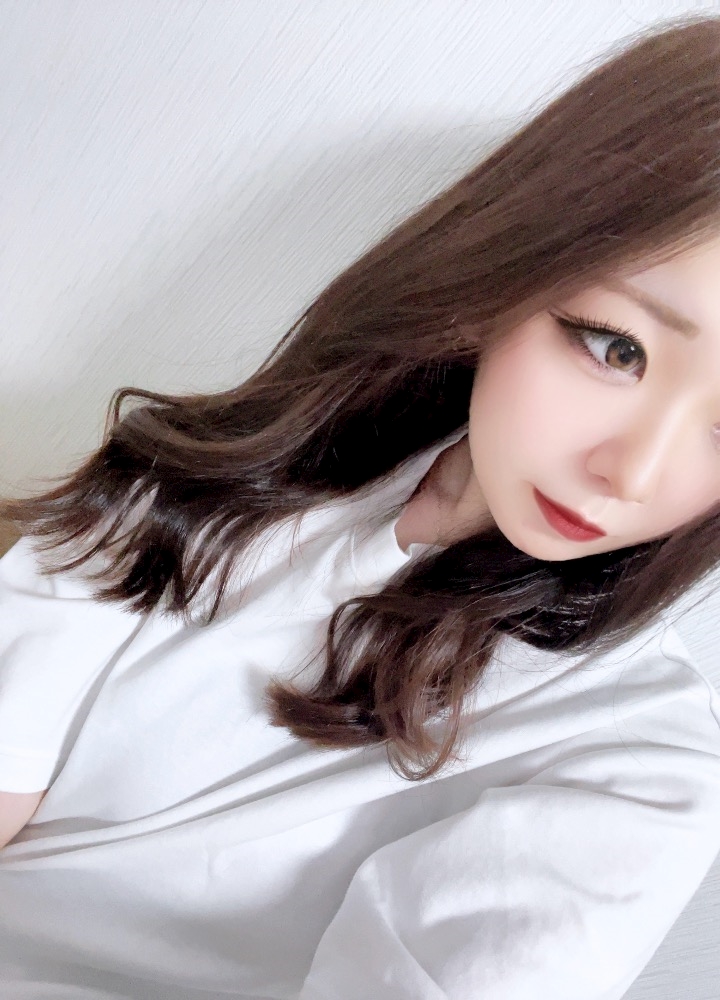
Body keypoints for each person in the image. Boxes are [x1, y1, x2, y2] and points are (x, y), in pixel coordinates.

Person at [2, 12, 720, 1000]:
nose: (632, 473)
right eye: (615, 347)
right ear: (508, 274)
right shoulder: (223, 469)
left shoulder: (637, 764)